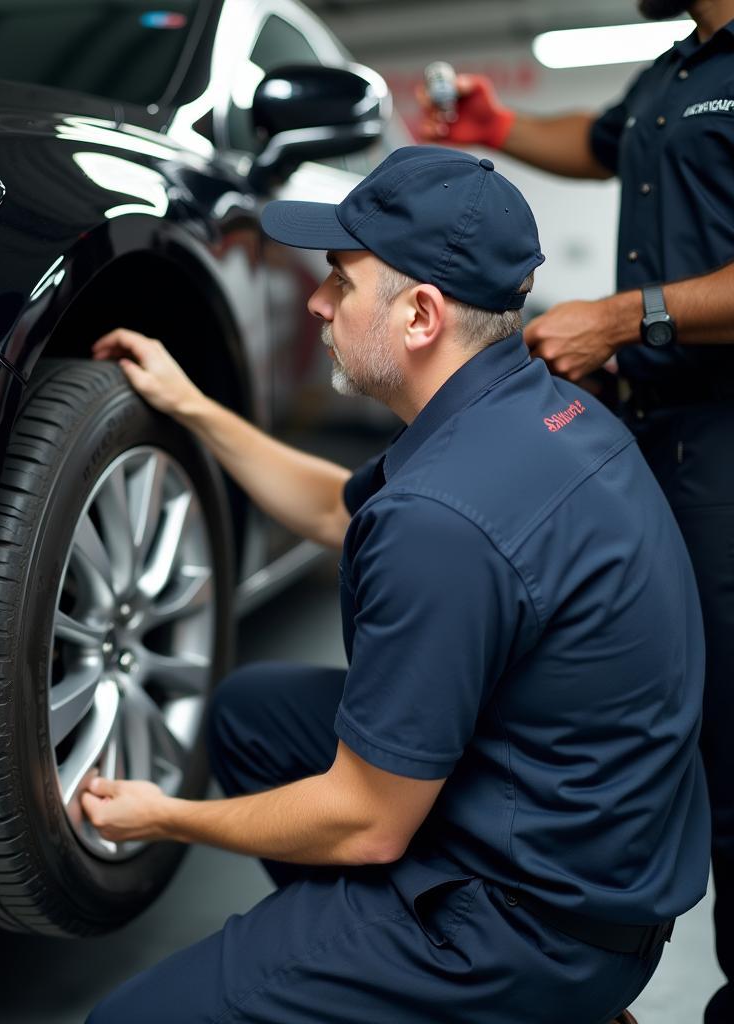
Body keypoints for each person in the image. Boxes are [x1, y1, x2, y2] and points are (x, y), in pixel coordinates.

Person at [80, 146, 709, 1024]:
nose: (316, 302)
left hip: (526, 928)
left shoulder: (444, 521)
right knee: (253, 716)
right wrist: (190, 406)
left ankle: (468, 992)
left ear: (420, 315)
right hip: (600, 856)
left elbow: (368, 821)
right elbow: (341, 514)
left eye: (340, 281)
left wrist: (166, 814)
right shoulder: (532, 413)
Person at [418, 5, 734, 1020]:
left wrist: (623, 315)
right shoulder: (676, 69)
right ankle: (588, 976)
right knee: (639, 708)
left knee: (729, 738)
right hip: (661, 430)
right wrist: (495, 126)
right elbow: (598, 144)